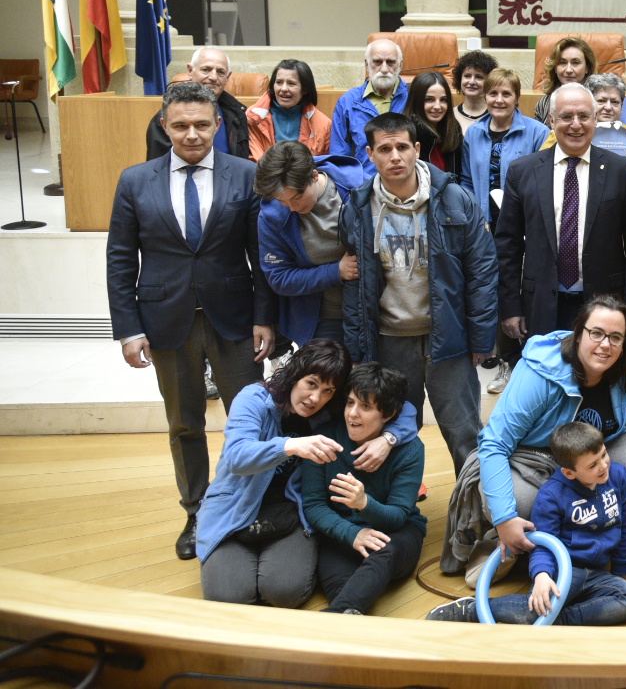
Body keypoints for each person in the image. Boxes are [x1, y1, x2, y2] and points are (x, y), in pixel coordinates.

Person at [109, 79, 275, 561]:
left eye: (202, 124)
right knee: (184, 424)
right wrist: (128, 328)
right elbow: (120, 259)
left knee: (250, 419)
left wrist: (265, 318)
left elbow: (260, 255)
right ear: (165, 126)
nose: (192, 135)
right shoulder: (134, 180)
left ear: (218, 125)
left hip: (235, 319)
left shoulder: (245, 175)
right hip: (166, 321)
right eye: (180, 125)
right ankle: (198, 511)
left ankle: (249, 507)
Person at [449, 296, 626, 579]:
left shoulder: (625, 380)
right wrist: (505, 518)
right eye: (597, 333)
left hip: (584, 470)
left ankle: (579, 534)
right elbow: (494, 444)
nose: (606, 344)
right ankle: (503, 539)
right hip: (530, 464)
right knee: (522, 505)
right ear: (579, 334)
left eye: (617, 337)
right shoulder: (540, 373)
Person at [197, 339, 419, 607]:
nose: (315, 398)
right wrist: (292, 446)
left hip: (290, 513)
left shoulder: (329, 410)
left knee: (285, 593)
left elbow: (400, 406)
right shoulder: (253, 399)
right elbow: (236, 457)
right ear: (294, 374)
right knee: (229, 597)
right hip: (235, 508)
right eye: (311, 384)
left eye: (328, 391)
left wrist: (389, 438)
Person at [342, 111, 496, 475]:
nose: (394, 156)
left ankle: (477, 514)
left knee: (465, 434)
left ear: (415, 149)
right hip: (389, 340)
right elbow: (355, 288)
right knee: (392, 432)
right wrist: (358, 349)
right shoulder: (357, 208)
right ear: (370, 153)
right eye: (384, 149)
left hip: (449, 340)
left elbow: (483, 273)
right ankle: (398, 511)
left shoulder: (456, 199)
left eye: (401, 147)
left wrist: (482, 337)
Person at [494, 83, 626, 395]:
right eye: (566, 116)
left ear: (595, 121)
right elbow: (507, 245)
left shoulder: (620, 170)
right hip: (542, 303)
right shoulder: (522, 171)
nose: (575, 125)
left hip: (604, 302)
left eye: (583, 116)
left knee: (601, 387)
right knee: (545, 388)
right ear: (552, 120)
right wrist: (510, 306)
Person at [431, 421, 626, 625]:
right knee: (538, 609)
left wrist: (620, 571)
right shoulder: (551, 495)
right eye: (593, 465)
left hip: (599, 573)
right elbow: (543, 544)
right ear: (569, 473)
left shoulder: (620, 476)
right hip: (563, 570)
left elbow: (625, 527)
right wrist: (542, 575)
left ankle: (556, 619)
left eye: (604, 455)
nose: (604, 465)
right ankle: (472, 610)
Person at [300, 362, 426, 615]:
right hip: (341, 533)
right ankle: (345, 616)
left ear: (388, 414)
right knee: (346, 595)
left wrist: (363, 504)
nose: (352, 414)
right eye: (350, 403)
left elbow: (399, 515)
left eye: (365, 407)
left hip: (397, 534)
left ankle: (333, 619)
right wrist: (351, 533)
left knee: (384, 552)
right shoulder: (324, 439)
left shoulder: (411, 450)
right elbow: (313, 505)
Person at [255, 142, 363, 347]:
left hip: (371, 311)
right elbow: (279, 277)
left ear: (314, 176)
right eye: (282, 201)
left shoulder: (358, 188)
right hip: (320, 319)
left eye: (297, 197)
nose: (292, 207)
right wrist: (336, 272)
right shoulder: (271, 216)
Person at [459, 67, 550, 228]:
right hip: (482, 223)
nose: (499, 100)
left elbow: (544, 184)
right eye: (493, 93)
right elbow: (467, 181)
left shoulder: (539, 133)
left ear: (516, 99)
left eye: (506, 94)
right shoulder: (473, 133)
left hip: (523, 223)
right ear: (485, 97)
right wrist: (473, 217)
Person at [146, 46, 252, 161]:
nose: (213, 77)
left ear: (228, 77)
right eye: (206, 70)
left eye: (220, 72)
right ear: (190, 71)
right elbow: (157, 169)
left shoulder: (238, 114)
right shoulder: (168, 116)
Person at [330, 39, 409, 173]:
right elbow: (339, 158)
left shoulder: (413, 97)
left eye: (390, 62)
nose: (384, 69)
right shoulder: (348, 102)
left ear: (400, 65)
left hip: (406, 182)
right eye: (377, 62)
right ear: (367, 64)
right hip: (364, 185)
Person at [246, 58, 329, 160]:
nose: (284, 89)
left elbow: (327, 164)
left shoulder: (324, 125)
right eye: (279, 82)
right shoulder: (252, 118)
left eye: (291, 83)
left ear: (305, 89)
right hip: (264, 174)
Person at [404, 71, 463, 178]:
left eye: (443, 100)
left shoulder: (453, 128)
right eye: (429, 100)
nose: (437, 106)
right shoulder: (405, 133)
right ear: (417, 101)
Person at [533, 36, 597, 125]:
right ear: (555, 68)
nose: (568, 70)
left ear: (587, 68)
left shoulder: (599, 101)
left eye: (576, 63)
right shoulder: (544, 103)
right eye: (562, 63)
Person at [451, 49, 498, 133]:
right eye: (467, 76)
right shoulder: (450, 115)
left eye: (479, 77)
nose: (472, 82)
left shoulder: (497, 115)